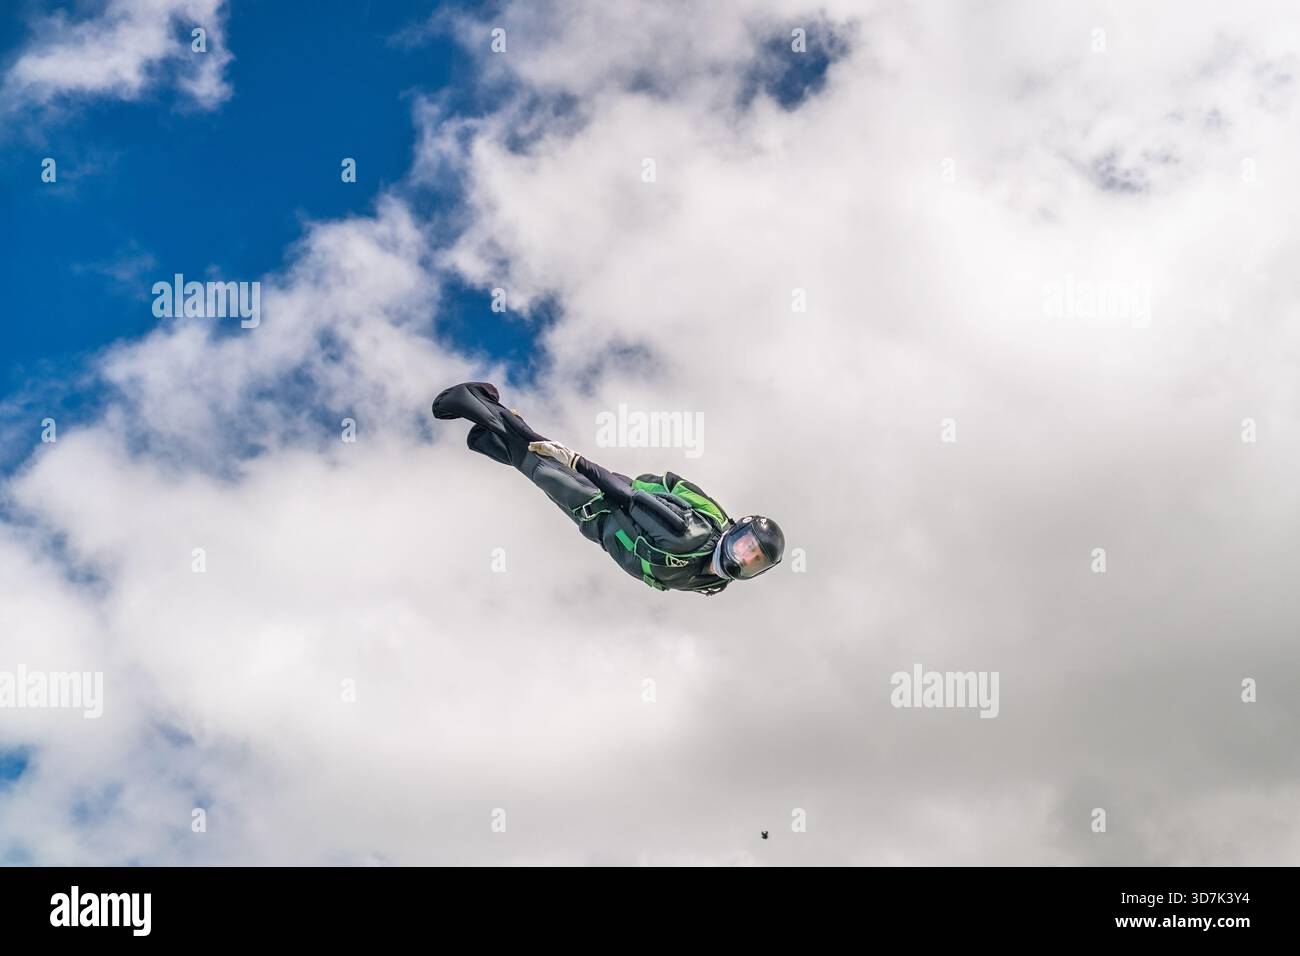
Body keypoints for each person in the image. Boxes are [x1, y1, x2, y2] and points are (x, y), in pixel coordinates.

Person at [432, 382, 784, 595]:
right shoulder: (692, 535)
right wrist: (576, 462)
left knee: (532, 466)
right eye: (746, 548)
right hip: (598, 501)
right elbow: (630, 498)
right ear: (736, 531)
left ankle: (484, 437)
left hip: (598, 526)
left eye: (753, 561)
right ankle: (471, 397)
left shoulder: (711, 581)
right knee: (537, 459)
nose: (742, 559)